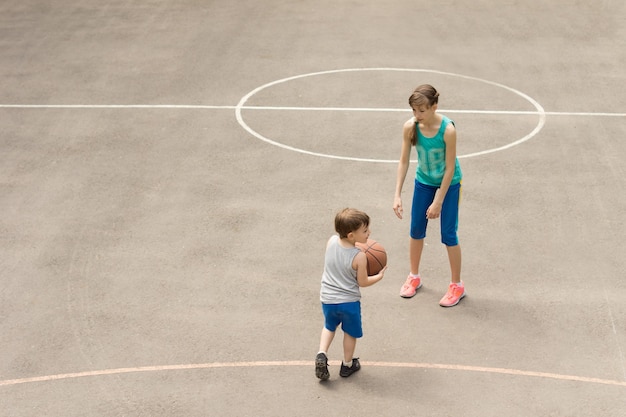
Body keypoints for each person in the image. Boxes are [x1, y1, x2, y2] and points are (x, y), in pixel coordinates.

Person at [392, 84, 465, 307]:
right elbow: (404, 161)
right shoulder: (410, 127)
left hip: (449, 184)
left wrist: (438, 201)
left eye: (422, 110)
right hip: (424, 181)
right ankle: (414, 276)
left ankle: (457, 285)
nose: (417, 115)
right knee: (416, 230)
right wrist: (397, 194)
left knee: (448, 234)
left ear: (434, 107)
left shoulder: (448, 130)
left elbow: (450, 168)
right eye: (414, 110)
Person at [315, 208, 386, 380]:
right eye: (365, 230)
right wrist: (379, 276)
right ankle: (347, 365)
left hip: (328, 298)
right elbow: (363, 282)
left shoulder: (331, 241)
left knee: (329, 326)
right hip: (349, 302)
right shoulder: (359, 257)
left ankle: (322, 353)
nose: (369, 233)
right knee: (350, 333)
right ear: (351, 235)